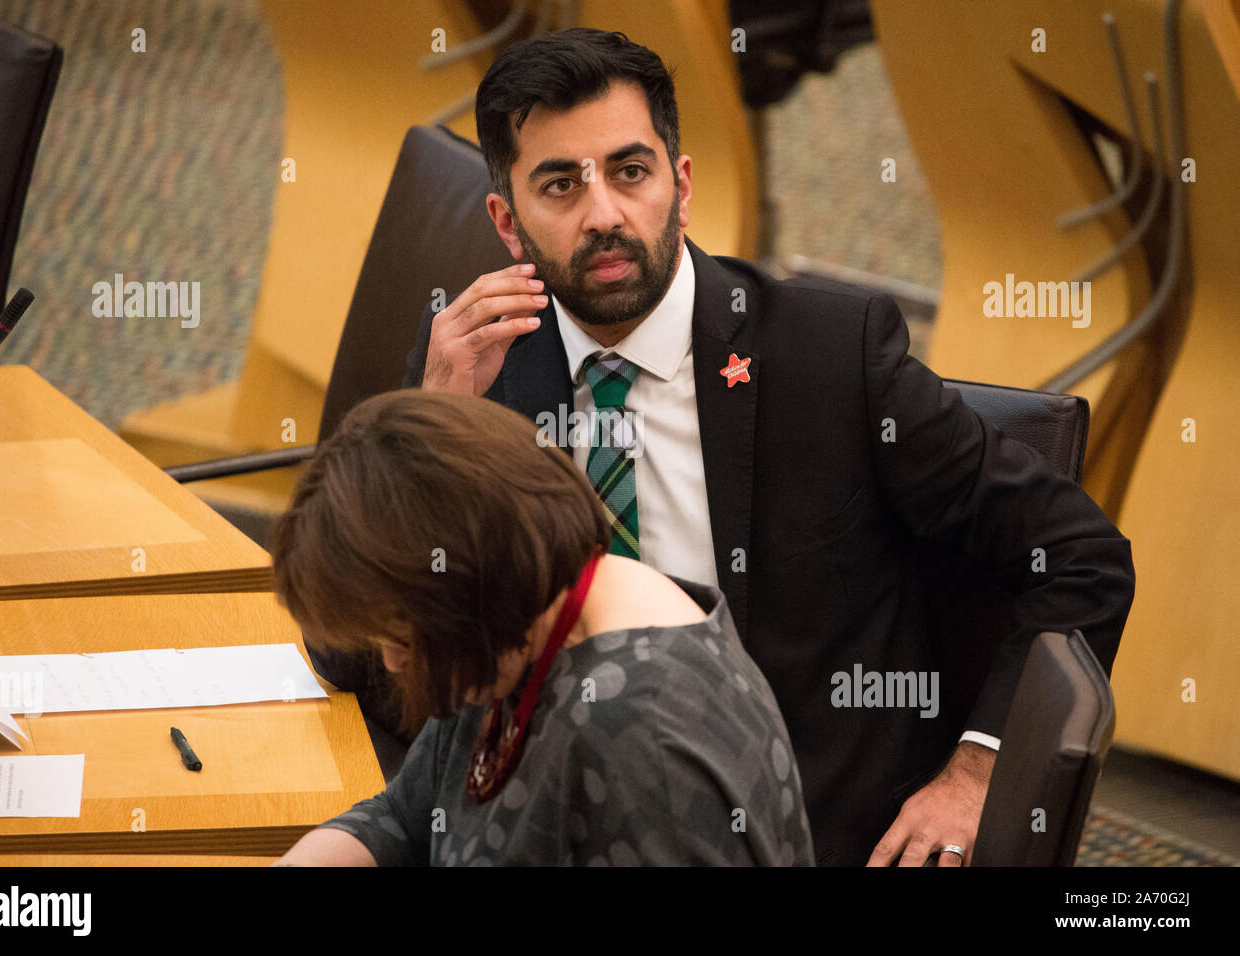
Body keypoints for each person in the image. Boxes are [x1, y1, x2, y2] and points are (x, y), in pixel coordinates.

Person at [375, 27, 1135, 866]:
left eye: (631, 172)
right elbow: (361, 657)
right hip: (536, 824)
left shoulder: (828, 356)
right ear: (508, 224)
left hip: (787, 834)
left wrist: (979, 770)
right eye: (560, 185)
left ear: (682, 184)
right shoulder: (478, 372)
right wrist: (434, 431)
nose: (605, 215)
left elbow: (1078, 558)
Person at [272, 389, 814, 866]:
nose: (391, 663)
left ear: (469, 579)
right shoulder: (518, 630)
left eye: (402, 636)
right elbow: (408, 817)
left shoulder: (638, 732)